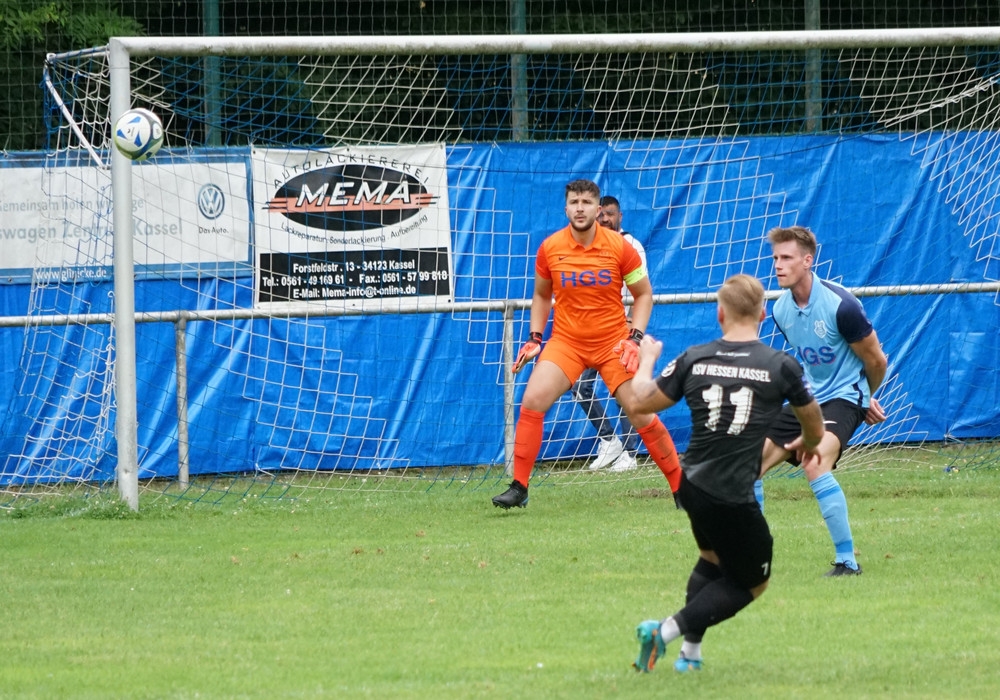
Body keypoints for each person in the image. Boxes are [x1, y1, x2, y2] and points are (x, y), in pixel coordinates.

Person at [627, 273, 825, 673]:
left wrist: (646, 358)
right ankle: (663, 632)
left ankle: (690, 655)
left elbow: (639, 403)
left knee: (712, 560)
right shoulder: (780, 365)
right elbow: (815, 427)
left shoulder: (694, 358)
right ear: (763, 314)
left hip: (692, 485)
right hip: (732, 492)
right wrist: (806, 440)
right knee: (752, 582)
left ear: (720, 313)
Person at [491, 179, 682, 509]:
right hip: (567, 342)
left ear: (598, 209)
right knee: (533, 400)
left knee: (640, 410)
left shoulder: (620, 247)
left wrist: (634, 338)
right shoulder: (550, 248)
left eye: (586, 202)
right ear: (566, 208)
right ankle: (519, 487)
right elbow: (541, 295)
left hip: (613, 342)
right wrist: (535, 338)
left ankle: (681, 488)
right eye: (574, 202)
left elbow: (643, 295)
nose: (580, 208)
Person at [755, 225, 888, 577]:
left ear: (807, 261)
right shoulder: (781, 310)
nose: (778, 265)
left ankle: (847, 562)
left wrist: (865, 397)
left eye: (786, 258)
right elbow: (809, 362)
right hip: (810, 400)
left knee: (814, 463)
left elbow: (876, 361)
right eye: (775, 258)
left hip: (845, 398)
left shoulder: (841, 306)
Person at [572, 195, 643, 472]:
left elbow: (640, 290)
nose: (605, 219)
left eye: (610, 214)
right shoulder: (588, 245)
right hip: (592, 330)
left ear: (620, 216)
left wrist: (633, 329)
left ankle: (630, 453)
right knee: (579, 386)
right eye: (601, 214)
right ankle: (608, 438)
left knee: (622, 390)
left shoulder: (631, 245)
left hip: (621, 327)